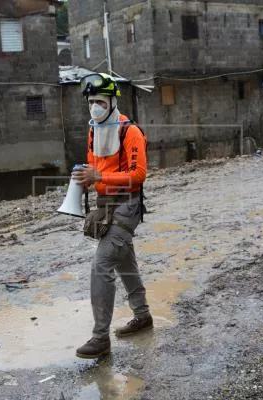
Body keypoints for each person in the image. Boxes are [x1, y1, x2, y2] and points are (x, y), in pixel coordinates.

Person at [71, 73, 153, 359]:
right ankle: (142, 316)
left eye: (100, 101)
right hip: (105, 202)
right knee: (123, 260)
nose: (95, 107)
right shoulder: (94, 130)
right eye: (91, 101)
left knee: (102, 263)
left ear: (112, 101)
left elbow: (138, 175)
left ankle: (100, 337)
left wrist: (100, 175)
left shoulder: (129, 131)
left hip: (127, 204)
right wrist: (87, 178)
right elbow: (94, 167)